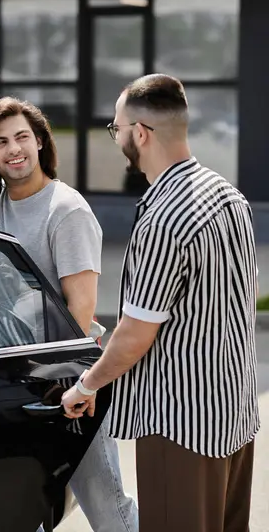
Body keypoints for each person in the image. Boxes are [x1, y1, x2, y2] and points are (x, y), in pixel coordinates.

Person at [61, 74, 260, 532]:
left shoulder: (164, 217)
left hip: (182, 425)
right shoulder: (230, 195)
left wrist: (85, 387)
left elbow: (134, 335)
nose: (117, 138)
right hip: (236, 412)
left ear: (141, 134)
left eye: (116, 129)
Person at [0, 97, 139, 532]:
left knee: (107, 506)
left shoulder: (67, 210)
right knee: (23, 507)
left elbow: (80, 312)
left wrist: (74, 383)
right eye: (0, 142)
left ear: (39, 141)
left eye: (22, 136)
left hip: (68, 380)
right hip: (16, 378)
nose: (13, 149)